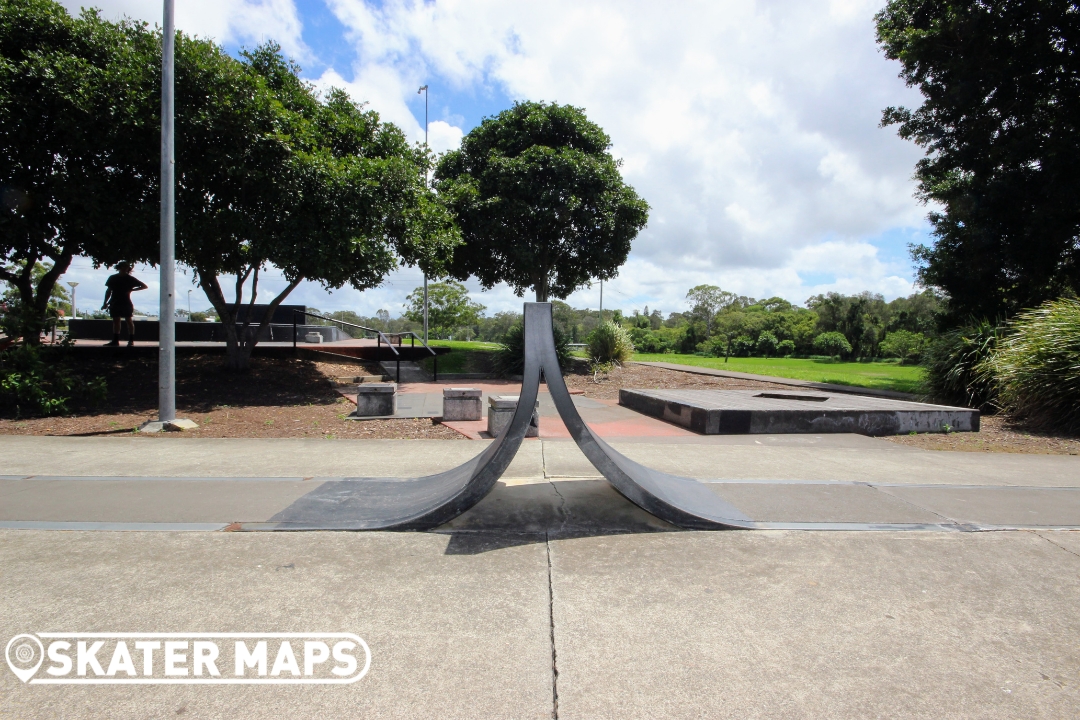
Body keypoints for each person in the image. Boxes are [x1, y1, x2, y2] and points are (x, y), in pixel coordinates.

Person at [101, 262, 147, 347]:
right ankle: (115, 340)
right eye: (123, 267)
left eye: (126, 267)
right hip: (114, 301)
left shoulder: (130, 279)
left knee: (128, 320)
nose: (125, 269)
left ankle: (131, 340)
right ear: (119, 268)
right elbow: (108, 291)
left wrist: (133, 290)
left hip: (126, 302)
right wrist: (105, 303)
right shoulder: (113, 278)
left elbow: (144, 286)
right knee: (116, 321)